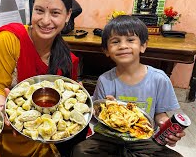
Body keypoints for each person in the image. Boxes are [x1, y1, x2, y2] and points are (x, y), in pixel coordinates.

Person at [0, 0, 88, 156]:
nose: (45, 20)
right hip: (10, 131)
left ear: (68, 15)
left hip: (48, 133)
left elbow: (63, 104)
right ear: (32, 10)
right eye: (39, 10)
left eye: (55, 13)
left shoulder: (65, 57)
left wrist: (77, 96)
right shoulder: (9, 40)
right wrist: (3, 107)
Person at [72, 15, 185, 157]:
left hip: (142, 138)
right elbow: (95, 119)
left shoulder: (159, 79)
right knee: (80, 151)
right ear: (106, 50)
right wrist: (105, 109)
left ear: (143, 46)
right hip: (108, 137)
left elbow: (160, 114)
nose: (123, 46)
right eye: (115, 41)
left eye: (131, 40)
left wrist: (165, 125)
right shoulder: (105, 80)